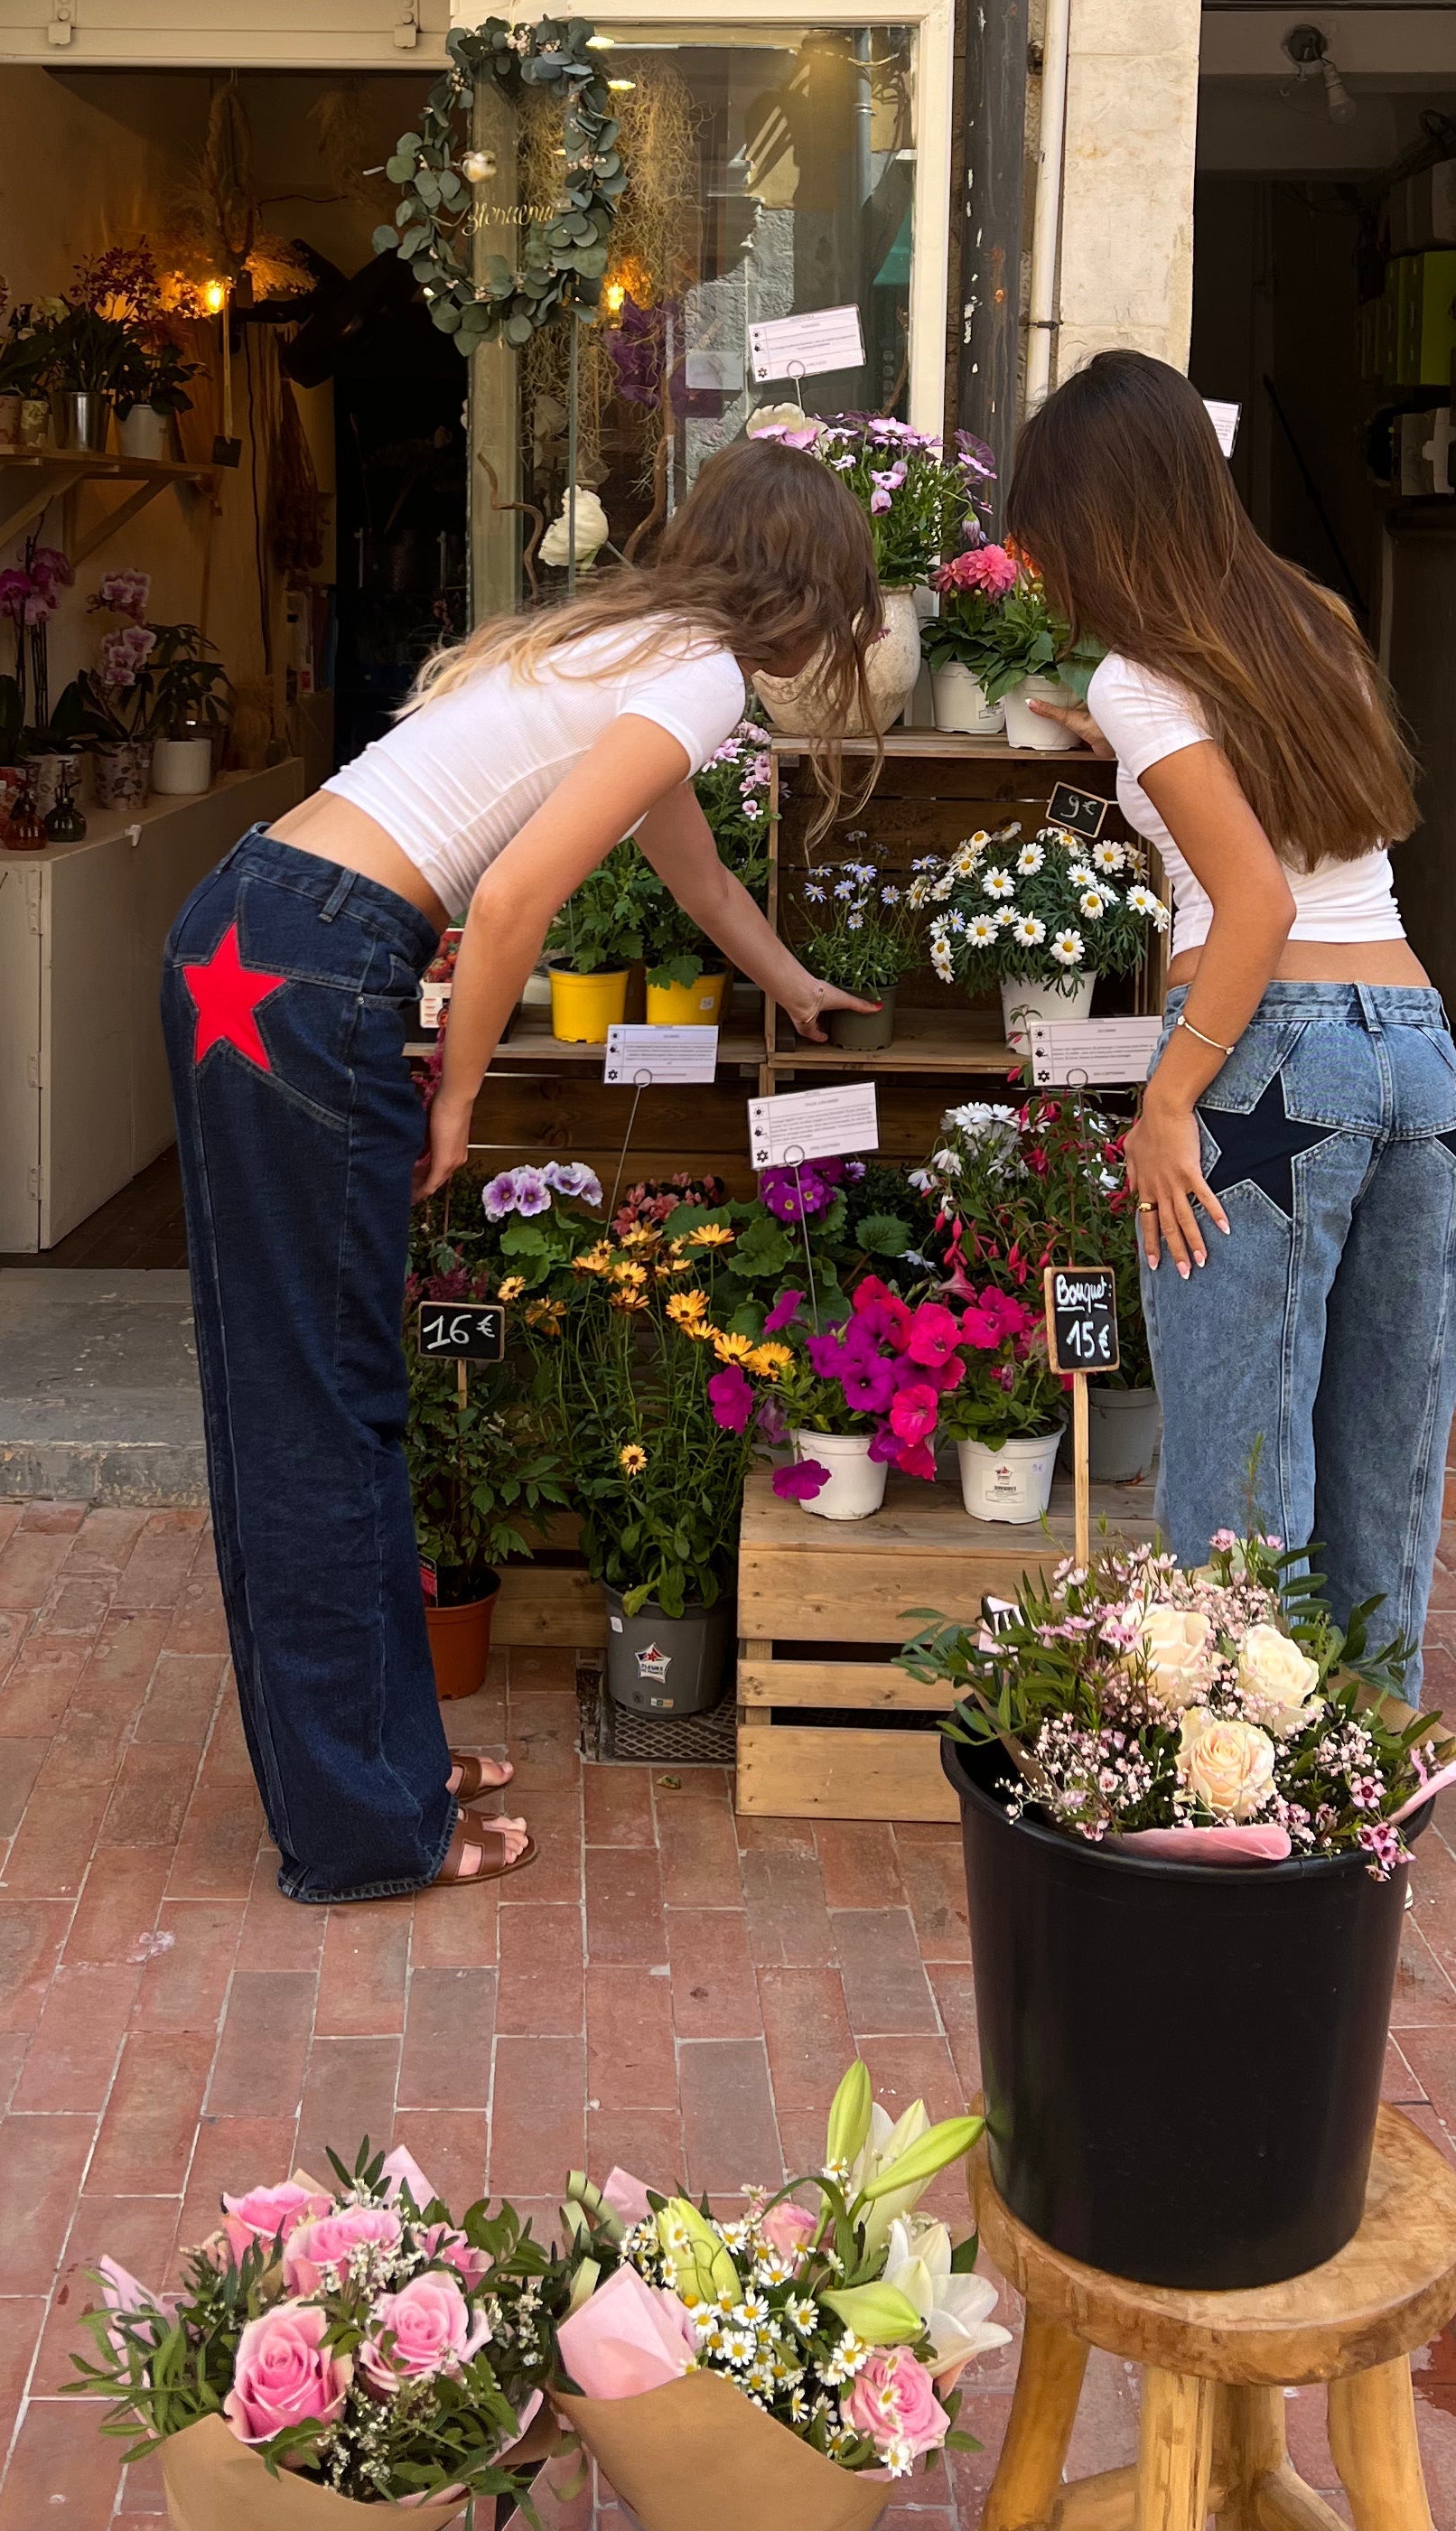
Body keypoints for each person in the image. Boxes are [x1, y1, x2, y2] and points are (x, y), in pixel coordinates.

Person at [161, 434, 882, 1905]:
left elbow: (696, 872)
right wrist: (461, 1099)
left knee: (321, 1395)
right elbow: (508, 904)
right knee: (324, 1409)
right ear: (805, 592)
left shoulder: (628, 647)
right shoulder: (699, 675)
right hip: (320, 970)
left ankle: (382, 1761)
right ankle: (363, 1832)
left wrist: (793, 985)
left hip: (251, 937)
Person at [1006, 351, 1456, 1673]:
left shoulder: (1137, 677)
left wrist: (1163, 1105)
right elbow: (1313, 832)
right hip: (1417, 1057)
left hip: (1271, 1060)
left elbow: (1255, 905)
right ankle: (1356, 1781)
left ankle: (1236, 1810)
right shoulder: (1308, 618)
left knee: (1238, 1458)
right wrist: (1141, 763)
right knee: (1388, 1455)